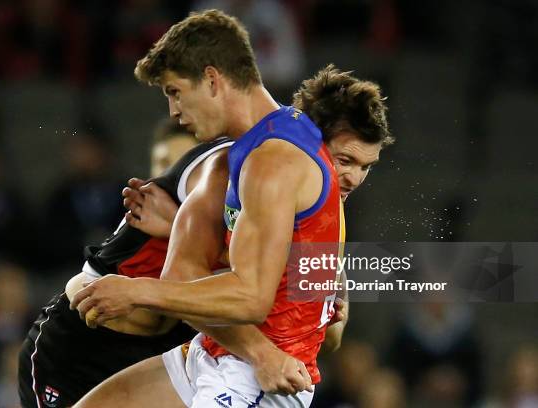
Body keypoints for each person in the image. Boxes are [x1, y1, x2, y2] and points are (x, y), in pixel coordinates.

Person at [71, 10, 390, 408]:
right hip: (218, 351)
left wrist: (136, 291)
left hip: (259, 381)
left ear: (211, 80)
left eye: (174, 91)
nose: (174, 111)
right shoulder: (238, 156)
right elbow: (181, 273)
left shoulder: (276, 160)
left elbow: (252, 298)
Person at [17, 123, 233, 408]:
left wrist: (176, 224)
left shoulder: (225, 206)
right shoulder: (146, 208)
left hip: (162, 353)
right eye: (164, 164)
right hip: (83, 349)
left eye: (181, 164)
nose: (168, 175)